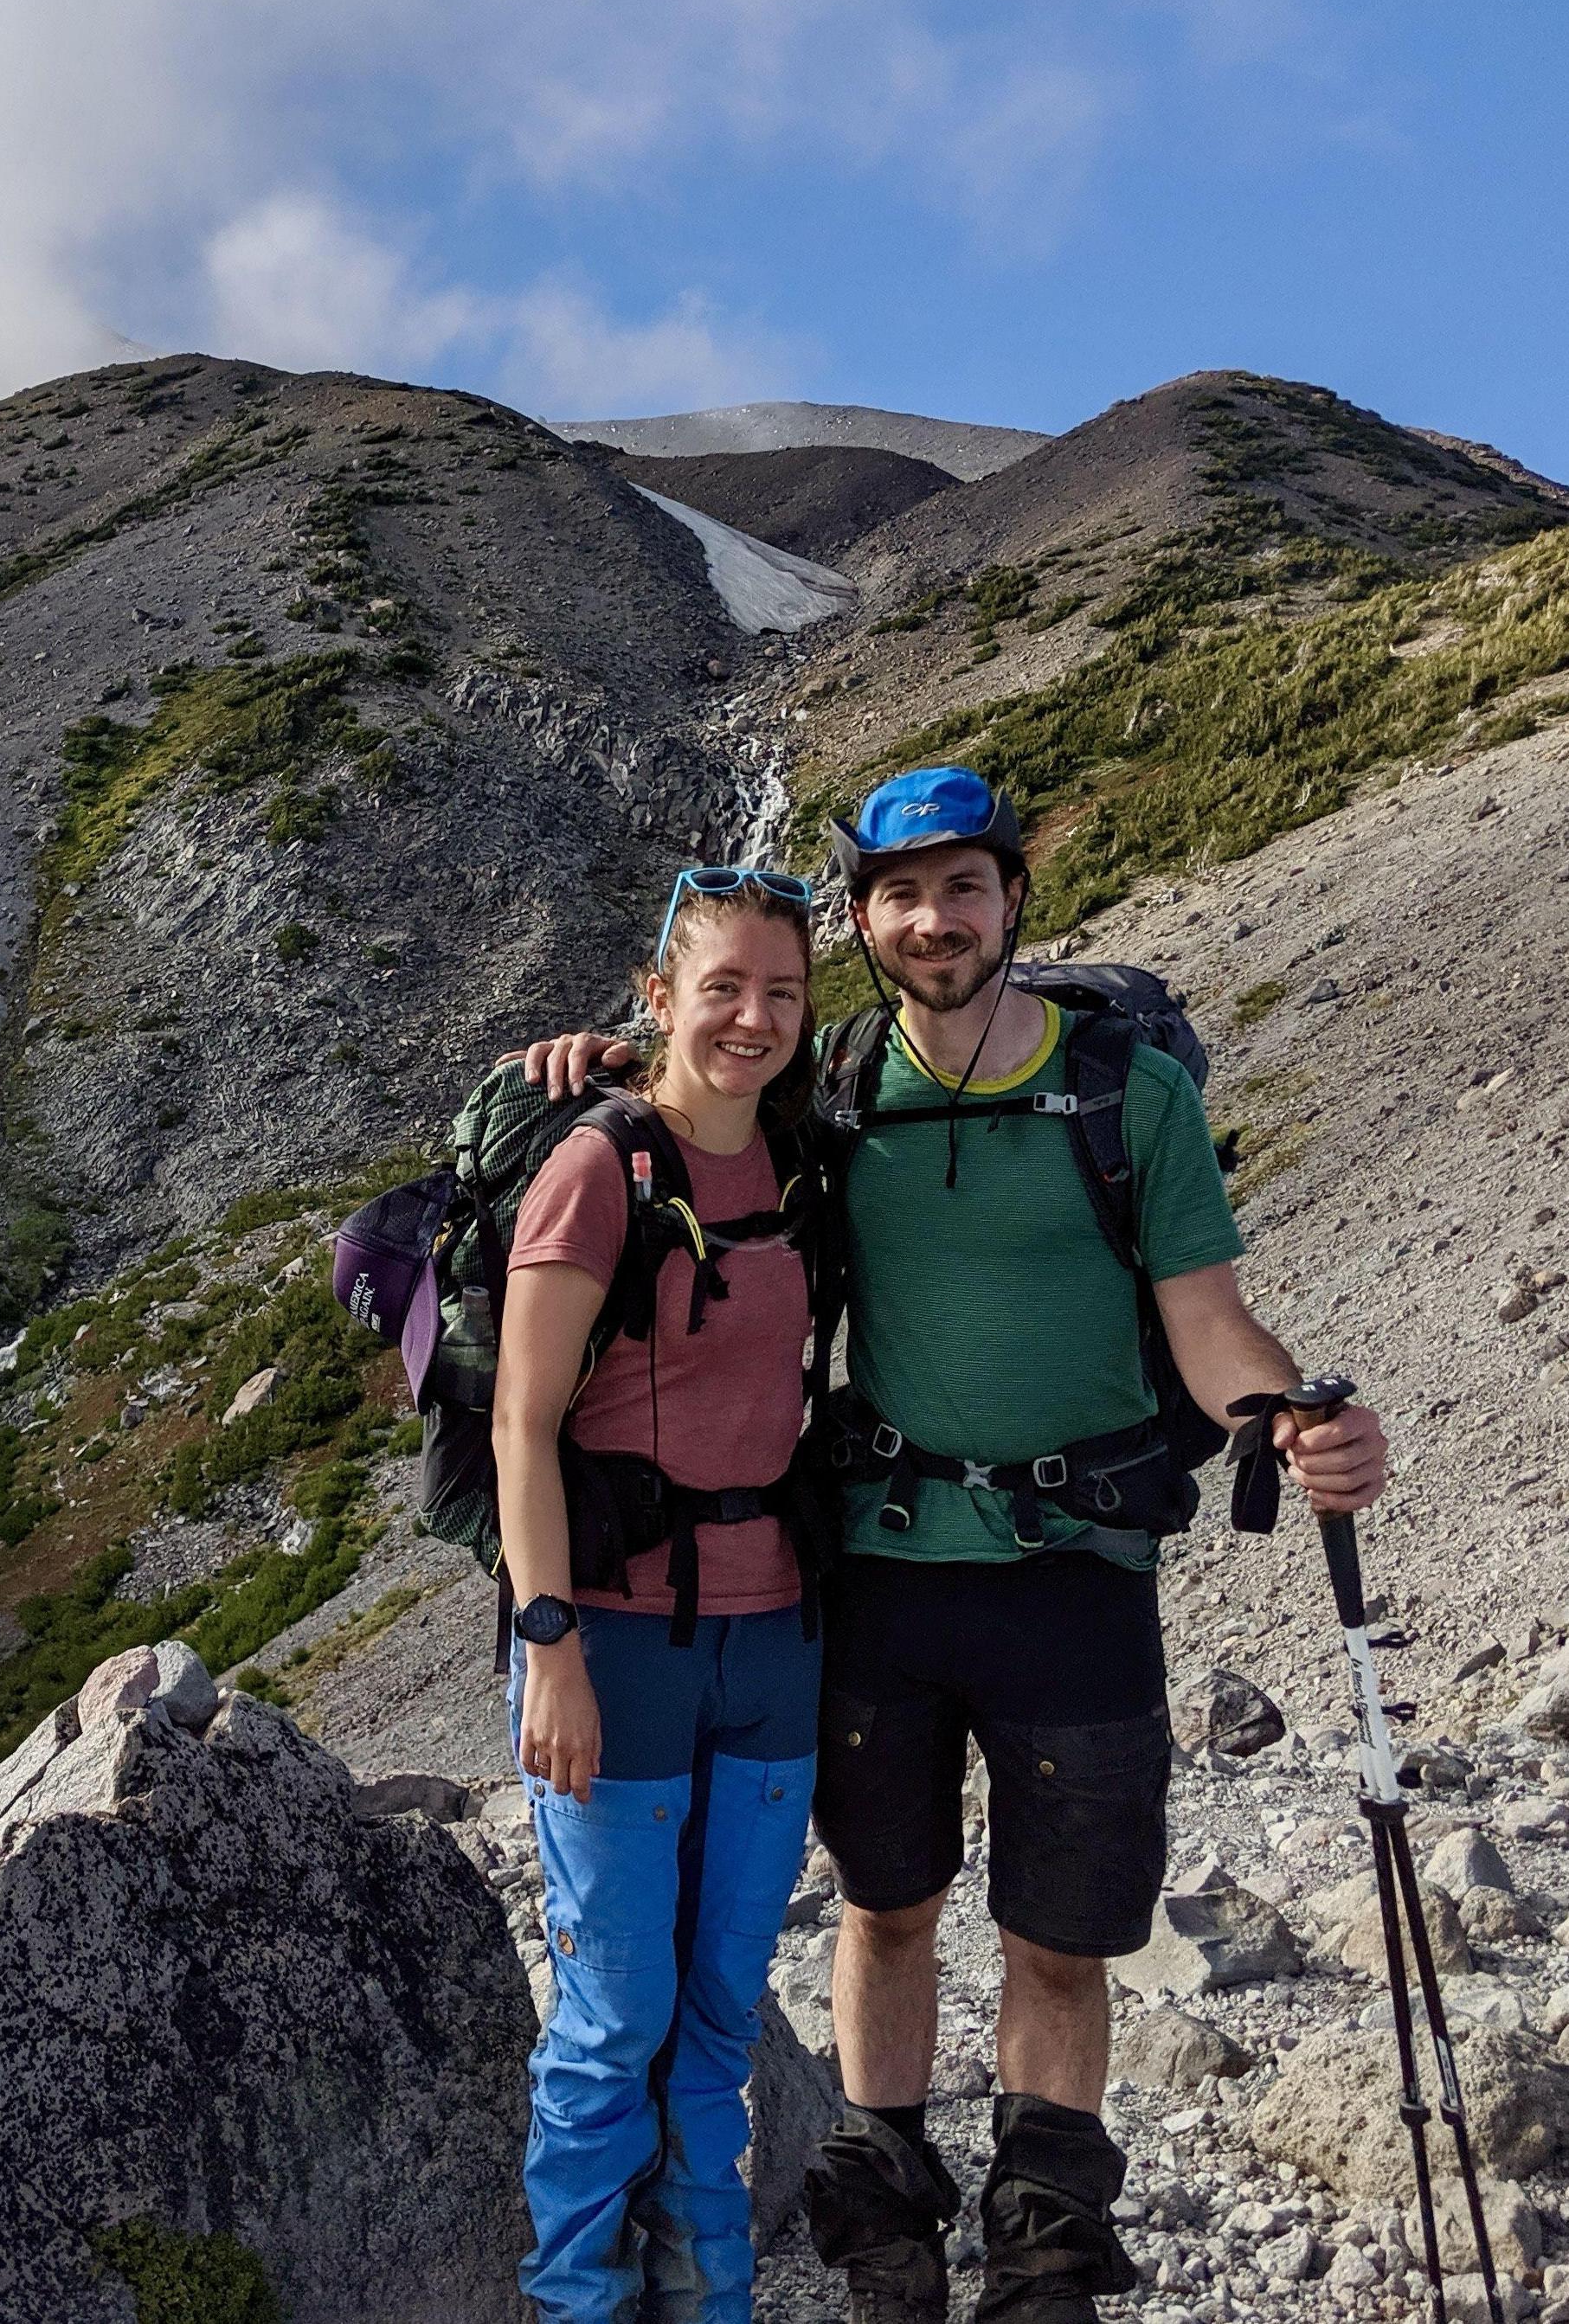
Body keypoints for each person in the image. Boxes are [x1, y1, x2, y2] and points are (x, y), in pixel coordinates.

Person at [521, 768, 1388, 2324]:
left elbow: (1206, 1321)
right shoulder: (833, 1085)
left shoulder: (1134, 1094)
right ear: (863, 920)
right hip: (888, 1561)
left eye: (964, 889)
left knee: (1060, 1938)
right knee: (887, 1905)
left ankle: (1043, 2251)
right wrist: (596, 1063)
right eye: (901, 896)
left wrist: (1285, 1422)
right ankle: (891, 2227)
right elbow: (696, 1104)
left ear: (1009, 902)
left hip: (1076, 1567)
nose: (935, 922)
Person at [498, 863, 831, 2324]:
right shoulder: (599, 1168)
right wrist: (547, 1643)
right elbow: (520, 1421)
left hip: (774, 1641)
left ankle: (713, 2302)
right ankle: (578, 2305)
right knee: (612, 2017)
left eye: (780, 992)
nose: (751, 1018)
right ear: (657, 998)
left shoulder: (807, 1161)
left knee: (713, 2015)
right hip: (613, 1644)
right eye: (721, 988)